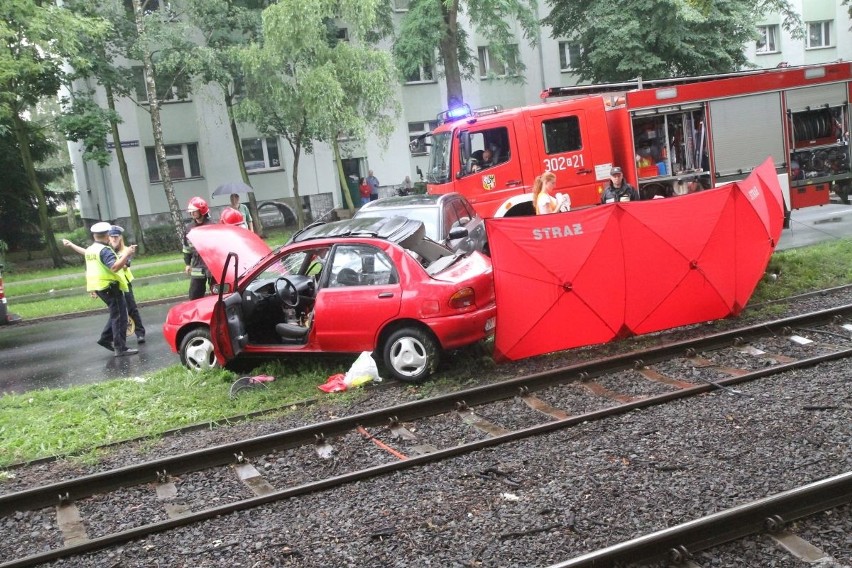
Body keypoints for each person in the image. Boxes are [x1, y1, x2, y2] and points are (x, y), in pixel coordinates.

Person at [68, 222, 138, 357]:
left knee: (116, 314)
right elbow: (114, 267)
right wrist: (127, 253)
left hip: (99, 287)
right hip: (109, 287)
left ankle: (106, 339)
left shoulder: (92, 249)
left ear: (94, 235)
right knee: (120, 317)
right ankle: (120, 348)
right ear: (107, 235)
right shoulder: (104, 250)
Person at [184, 196, 214, 300]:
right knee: (194, 295)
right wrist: (187, 264)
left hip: (212, 265)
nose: (192, 214)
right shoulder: (189, 228)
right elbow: (187, 248)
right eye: (191, 212)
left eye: (194, 211)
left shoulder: (212, 226)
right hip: (197, 265)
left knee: (218, 293)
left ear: (202, 211)